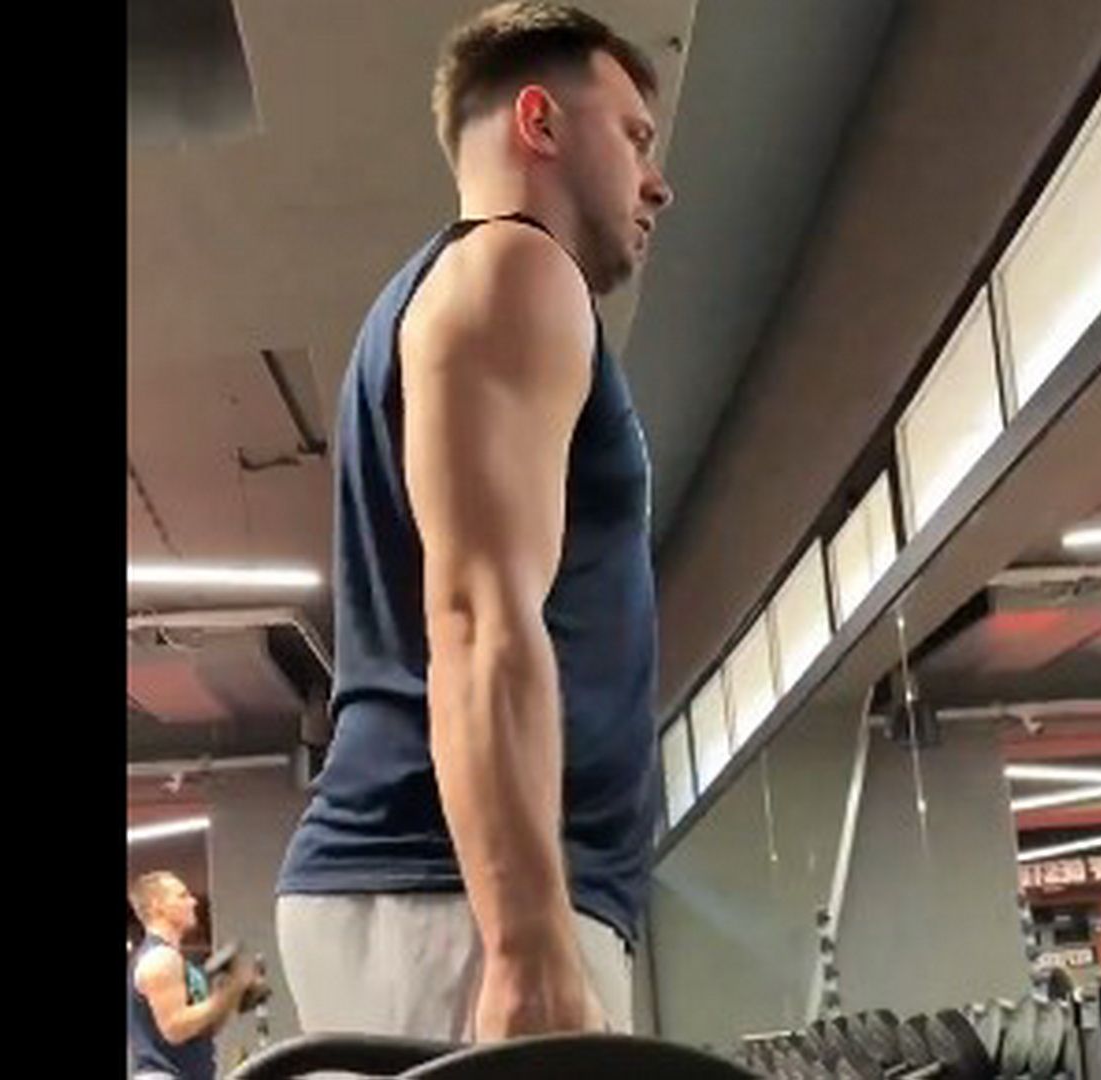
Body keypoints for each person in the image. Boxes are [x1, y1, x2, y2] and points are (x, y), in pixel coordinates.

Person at [274, 0, 674, 1044]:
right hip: (460, 896)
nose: (657, 181)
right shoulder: (514, 269)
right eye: (634, 137)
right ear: (540, 123)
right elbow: (477, 616)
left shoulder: (460, 291)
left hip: (446, 893)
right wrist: (527, 948)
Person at [128, 872, 259, 1080]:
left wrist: (232, 994)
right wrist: (228, 992)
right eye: (182, 896)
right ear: (157, 906)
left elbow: (204, 1028)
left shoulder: (178, 962)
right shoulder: (160, 958)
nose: (193, 902)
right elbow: (175, 1028)